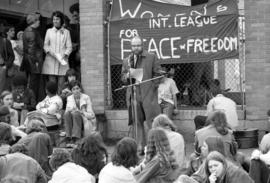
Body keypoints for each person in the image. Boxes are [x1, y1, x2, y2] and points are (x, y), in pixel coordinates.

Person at [121, 36, 161, 154]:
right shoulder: (127, 60)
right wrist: (127, 76)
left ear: (142, 45)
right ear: (131, 47)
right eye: (133, 46)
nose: (136, 48)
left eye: (138, 45)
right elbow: (122, 78)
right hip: (133, 93)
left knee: (151, 121)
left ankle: (154, 147)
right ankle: (140, 147)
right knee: (137, 122)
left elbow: (157, 74)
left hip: (148, 93)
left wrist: (152, 87)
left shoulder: (151, 57)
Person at [43, 11, 72, 91]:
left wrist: (65, 55)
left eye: (57, 19)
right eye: (54, 19)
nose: (55, 21)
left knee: (61, 85)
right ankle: (52, 101)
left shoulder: (66, 32)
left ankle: (60, 102)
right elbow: (45, 45)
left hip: (62, 61)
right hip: (51, 60)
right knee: (52, 85)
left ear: (61, 20)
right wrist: (51, 53)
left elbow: (69, 47)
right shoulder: (49, 31)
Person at [64, 80, 96, 145]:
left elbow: (91, 115)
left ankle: (76, 138)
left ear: (80, 89)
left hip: (84, 119)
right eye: (74, 89)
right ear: (71, 91)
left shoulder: (86, 97)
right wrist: (71, 111)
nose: (76, 91)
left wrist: (81, 112)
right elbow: (67, 112)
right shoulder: (69, 98)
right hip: (72, 120)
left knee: (76, 113)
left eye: (77, 88)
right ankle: (69, 137)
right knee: (67, 114)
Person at [21, 13, 44, 102]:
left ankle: (28, 102)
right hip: (34, 61)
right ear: (34, 21)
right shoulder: (33, 32)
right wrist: (36, 61)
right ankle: (32, 103)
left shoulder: (26, 31)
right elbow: (32, 49)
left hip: (27, 60)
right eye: (38, 20)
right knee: (34, 84)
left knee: (29, 83)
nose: (39, 22)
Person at [0, 21, 15, 93]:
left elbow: (12, 56)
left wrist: (6, 66)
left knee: (1, 90)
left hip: (1, 68)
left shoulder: (4, 41)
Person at [69, 2, 81, 73]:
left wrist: (79, 50)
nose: (74, 17)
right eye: (73, 16)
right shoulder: (75, 26)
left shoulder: (82, 26)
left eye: (76, 15)